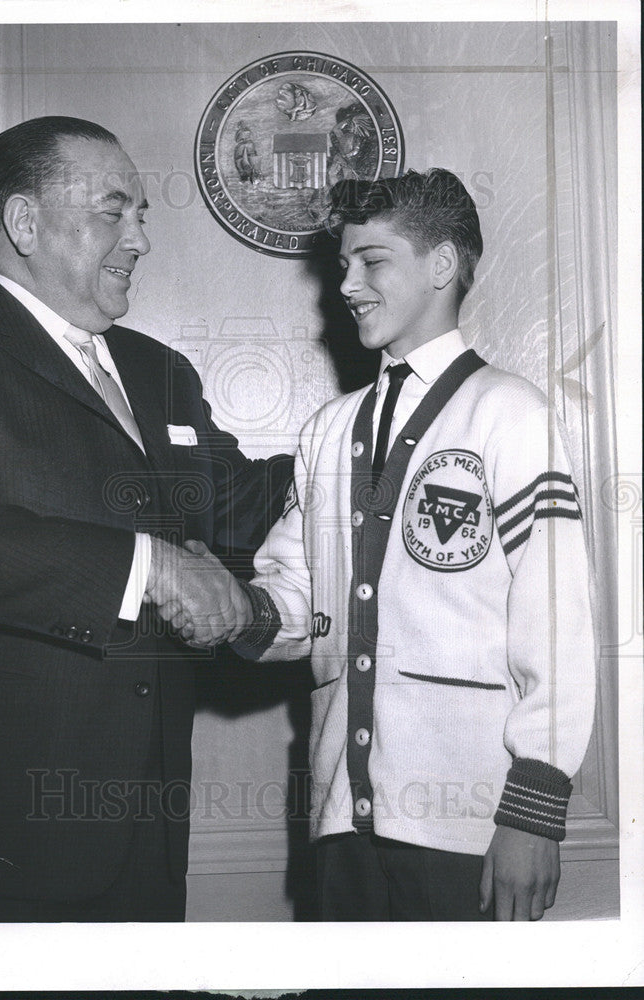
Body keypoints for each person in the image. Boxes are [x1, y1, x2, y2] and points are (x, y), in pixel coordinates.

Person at [0, 115, 291, 922]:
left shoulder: (158, 368)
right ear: (26, 223)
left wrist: (376, 437)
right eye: (115, 210)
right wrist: (153, 566)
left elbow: (239, 503)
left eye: (142, 213)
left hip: (144, 828)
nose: (139, 239)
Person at [178, 169, 597, 921]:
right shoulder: (328, 430)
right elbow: (299, 594)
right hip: (342, 817)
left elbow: (556, 620)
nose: (346, 283)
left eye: (371, 261)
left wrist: (533, 810)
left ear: (441, 265)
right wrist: (237, 609)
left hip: (470, 826)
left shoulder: (510, 414)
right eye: (342, 264)